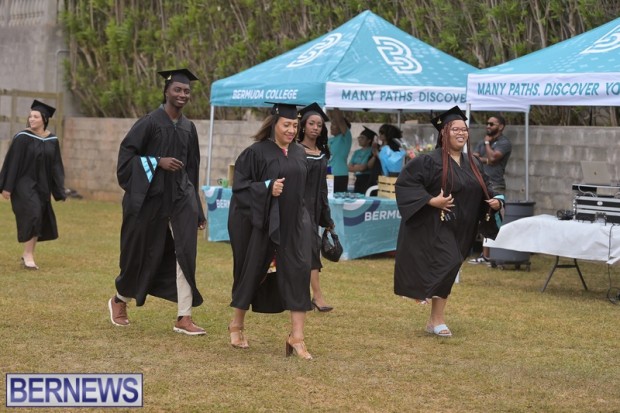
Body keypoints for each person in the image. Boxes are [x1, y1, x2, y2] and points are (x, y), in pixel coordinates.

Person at [108, 68, 207, 336]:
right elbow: (126, 160)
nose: (183, 94)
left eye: (186, 91)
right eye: (178, 89)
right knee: (139, 252)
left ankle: (184, 317)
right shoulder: (149, 123)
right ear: (166, 91)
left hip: (181, 198)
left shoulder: (189, 128)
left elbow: (193, 169)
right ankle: (120, 299)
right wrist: (157, 162)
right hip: (149, 200)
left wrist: (197, 208)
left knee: (185, 254)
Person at [393, 106, 502, 338]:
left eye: (464, 129)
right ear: (444, 133)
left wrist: (496, 201)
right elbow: (405, 184)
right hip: (435, 225)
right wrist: (432, 201)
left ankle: (434, 320)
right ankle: (432, 309)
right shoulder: (428, 161)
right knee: (449, 262)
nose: (461, 133)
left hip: (463, 227)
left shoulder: (473, 163)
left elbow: (486, 187)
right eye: (455, 129)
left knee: (451, 267)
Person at [227, 102, 314, 360]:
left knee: (299, 274)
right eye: (286, 125)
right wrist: (267, 187)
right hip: (262, 225)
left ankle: (296, 337)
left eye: (295, 125)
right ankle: (236, 325)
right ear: (274, 123)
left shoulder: (299, 153)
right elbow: (240, 188)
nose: (291, 130)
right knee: (252, 272)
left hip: (293, 225)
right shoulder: (255, 153)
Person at [0, 100, 66, 270]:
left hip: (42, 185)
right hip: (23, 183)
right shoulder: (22, 137)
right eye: (30, 116)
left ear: (44, 119)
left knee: (38, 217)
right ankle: (28, 255)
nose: (31, 119)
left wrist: (59, 190)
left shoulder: (52, 140)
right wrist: (7, 187)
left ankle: (28, 253)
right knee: (33, 213)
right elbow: (12, 162)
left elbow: (56, 166)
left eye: (35, 117)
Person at [298, 102, 335, 312]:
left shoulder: (321, 153)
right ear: (303, 126)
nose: (315, 128)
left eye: (319, 125)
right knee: (306, 251)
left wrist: (326, 218)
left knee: (311, 251)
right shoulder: (296, 151)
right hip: (297, 209)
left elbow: (322, 189)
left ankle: (314, 296)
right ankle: (314, 297)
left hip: (313, 211)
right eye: (311, 123)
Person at [469, 114, 512, 264]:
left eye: (492, 124)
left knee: (491, 217)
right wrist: (486, 159)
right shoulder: (482, 141)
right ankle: (484, 254)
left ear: (501, 126)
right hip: (481, 183)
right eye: (487, 123)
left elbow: (493, 158)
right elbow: (473, 159)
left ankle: (488, 255)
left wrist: (487, 145)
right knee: (480, 216)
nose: (488, 126)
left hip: (496, 184)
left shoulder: (504, 143)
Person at [327, 108, 352, 193]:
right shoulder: (329, 140)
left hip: (340, 175)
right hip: (328, 174)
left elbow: (340, 120)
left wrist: (335, 105)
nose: (331, 126)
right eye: (331, 124)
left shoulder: (345, 137)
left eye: (334, 124)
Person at [348, 126, 378, 194]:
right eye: (359, 137)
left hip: (367, 179)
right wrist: (359, 167)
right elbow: (349, 167)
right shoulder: (357, 152)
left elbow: (363, 167)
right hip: (357, 179)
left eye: (362, 138)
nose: (359, 139)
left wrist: (355, 166)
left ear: (369, 140)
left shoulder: (371, 151)